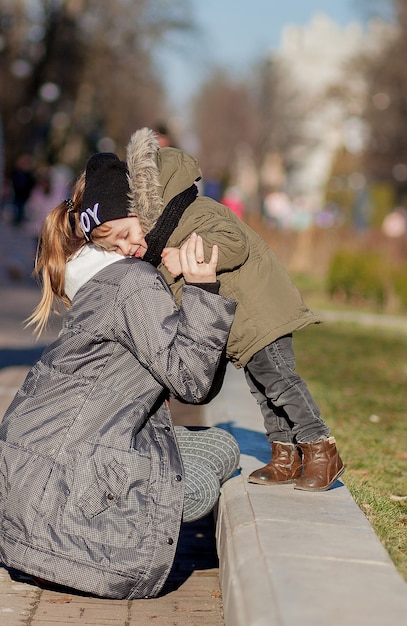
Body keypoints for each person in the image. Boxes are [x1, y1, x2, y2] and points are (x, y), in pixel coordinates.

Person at [0, 152, 239, 599]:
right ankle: (75, 552)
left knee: (203, 444)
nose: (137, 244)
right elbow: (192, 382)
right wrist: (204, 287)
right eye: (124, 234)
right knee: (215, 459)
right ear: (100, 234)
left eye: (139, 231)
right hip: (64, 499)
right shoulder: (130, 282)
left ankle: (54, 548)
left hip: (24, 489)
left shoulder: (97, 280)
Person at [88, 128, 344, 493]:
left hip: (261, 311)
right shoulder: (159, 240)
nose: (126, 246)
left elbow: (234, 243)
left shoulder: (194, 212)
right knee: (263, 389)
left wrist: (188, 255)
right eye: (115, 245)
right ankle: (285, 453)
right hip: (243, 324)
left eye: (126, 233)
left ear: (140, 208)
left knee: (280, 383)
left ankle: (320, 447)